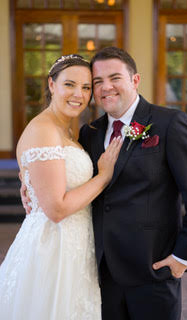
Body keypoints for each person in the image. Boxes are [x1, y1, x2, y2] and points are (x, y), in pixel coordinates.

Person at [78, 47, 187, 320]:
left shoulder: (169, 123)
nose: (106, 88)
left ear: (135, 80)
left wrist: (182, 259)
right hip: (102, 274)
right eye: (97, 82)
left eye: (115, 78)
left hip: (153, 271)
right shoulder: (89, 132)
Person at [0, 54, 122, 320]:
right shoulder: (45, 129)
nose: (79, 94)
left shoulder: (65, 130)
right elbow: (56, 209)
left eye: (86, 87)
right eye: (69, 84)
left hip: (74, 245)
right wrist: (102, 176)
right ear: (52, 84)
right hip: (53, 250)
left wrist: (28, 179)